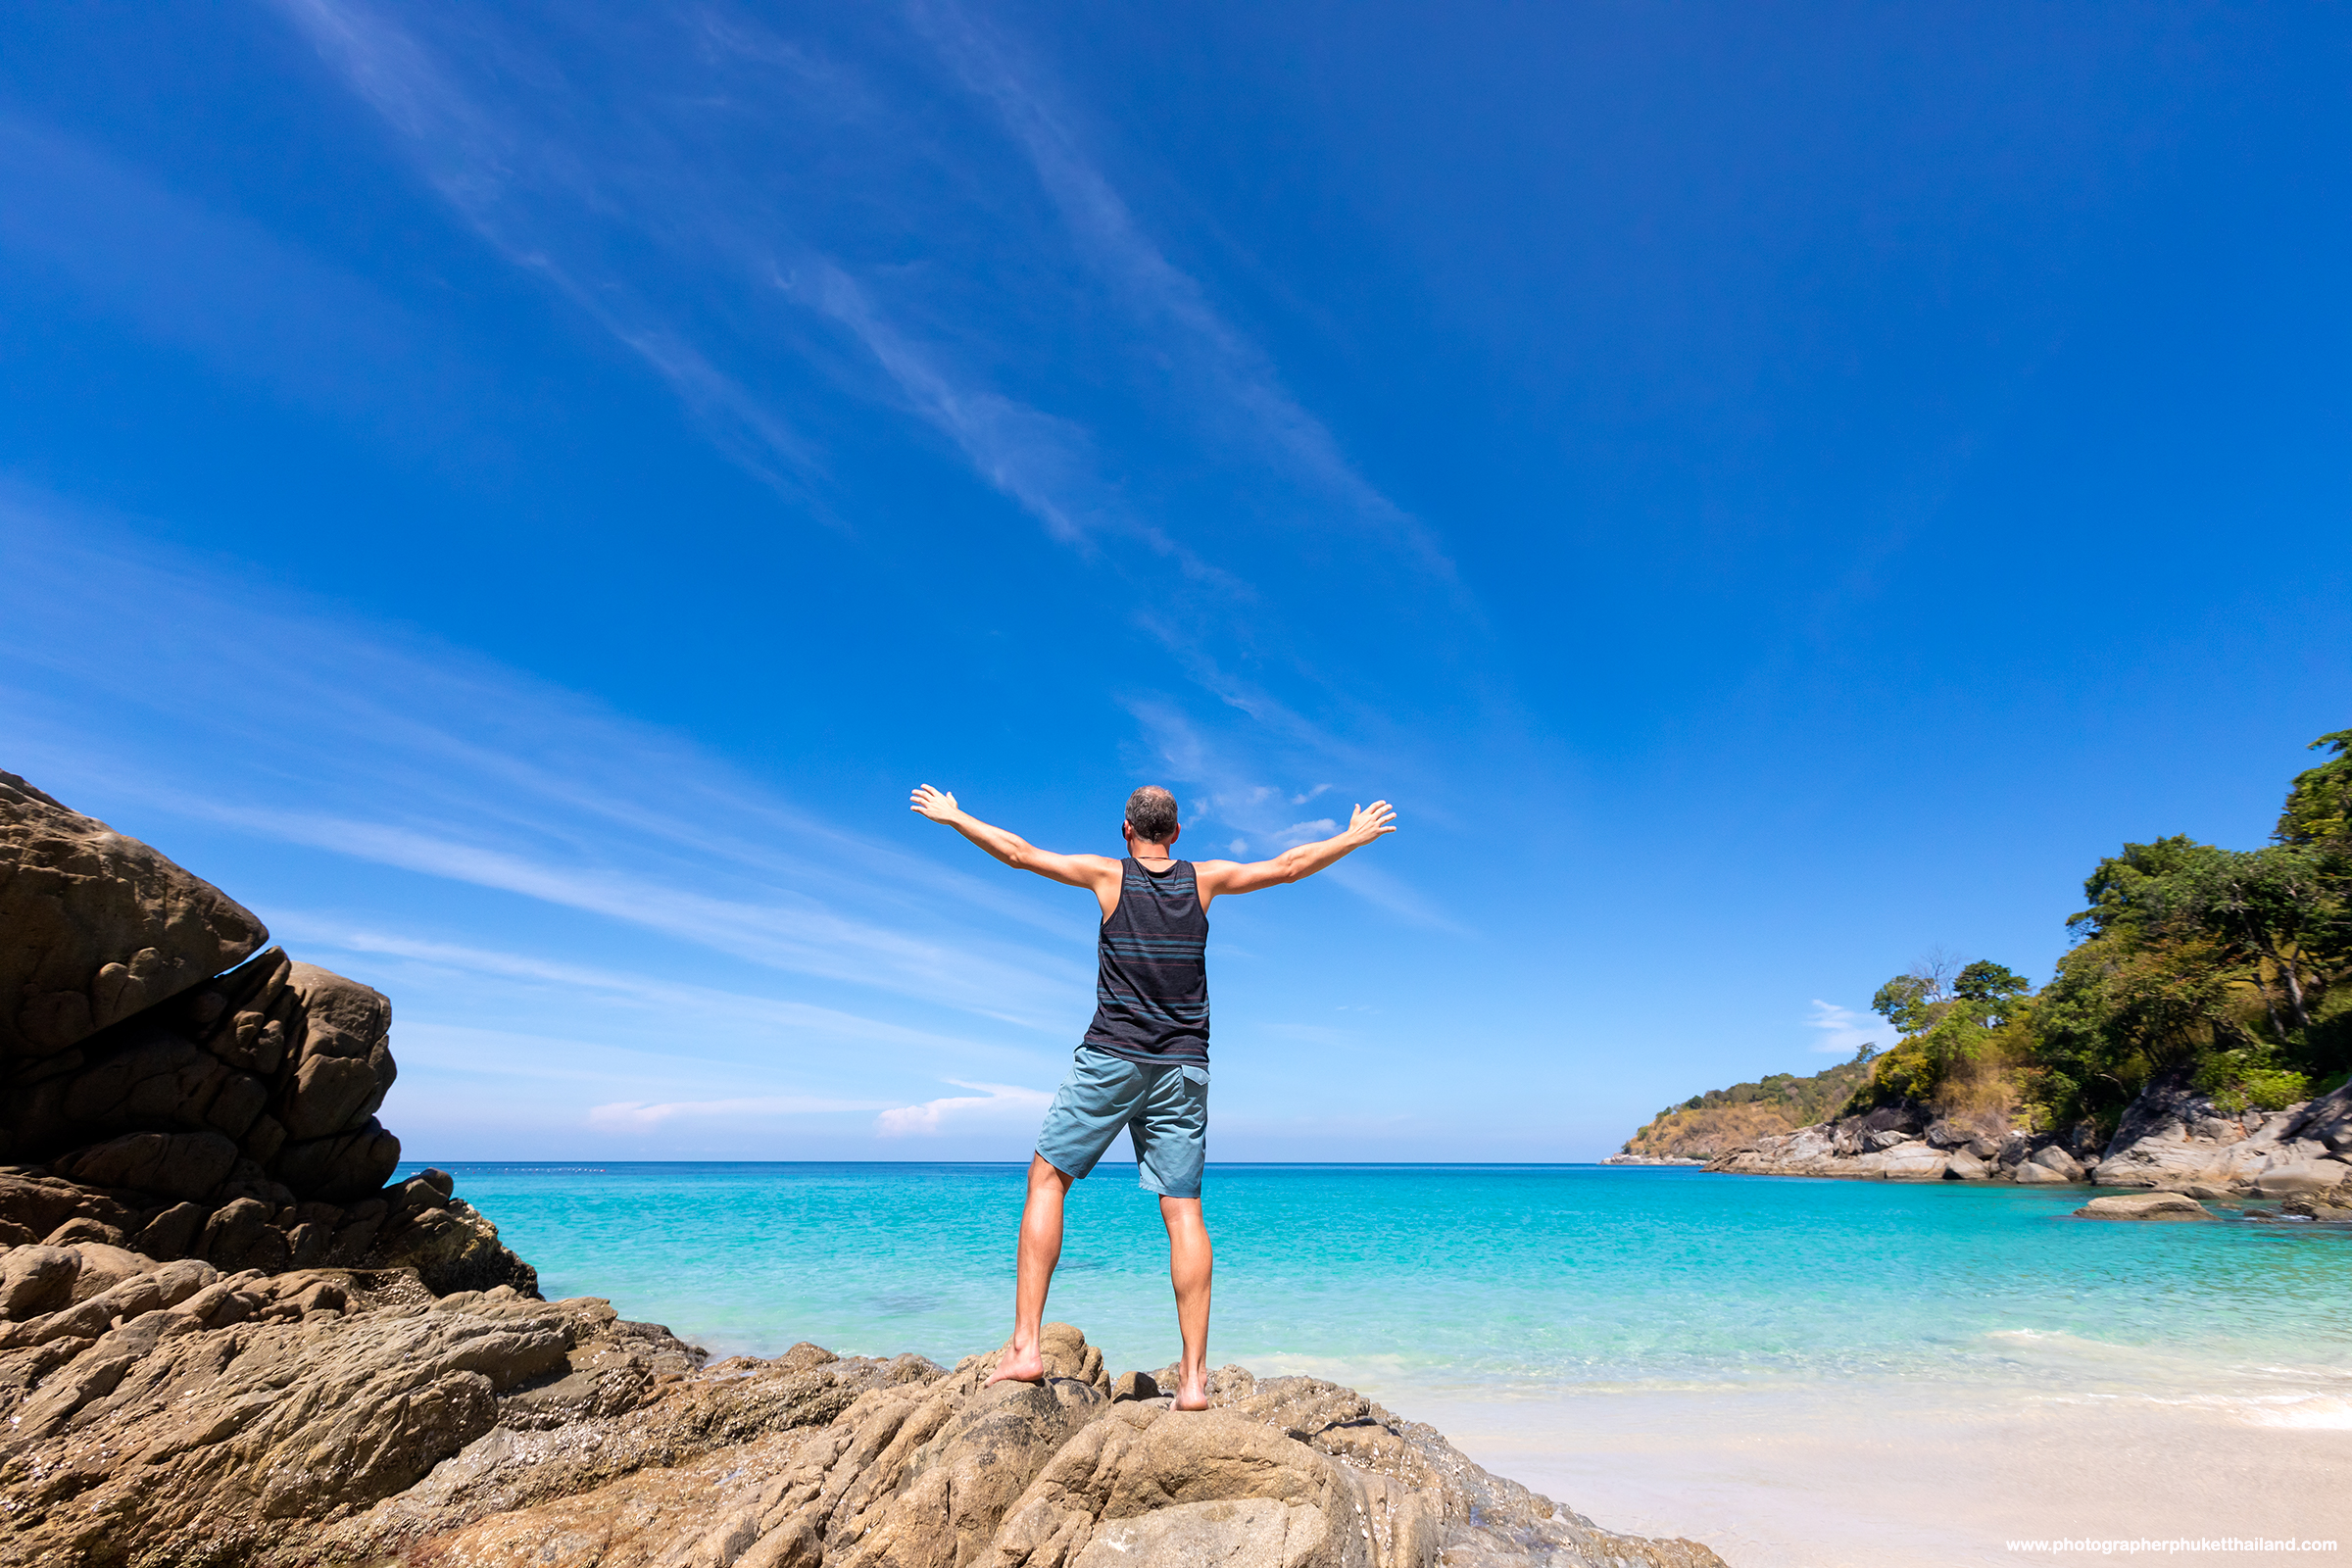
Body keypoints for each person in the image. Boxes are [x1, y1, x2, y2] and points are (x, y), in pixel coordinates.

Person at [907, 780, 1398, 1410]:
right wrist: (1352, 838)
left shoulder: (1108, 876)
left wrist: (955, 818)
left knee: (1047, 1180)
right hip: (1184, 1066)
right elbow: (1288, 866)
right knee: (1184, 1211)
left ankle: (1026, 1347)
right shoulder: (1204, 880)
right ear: (1176, 833)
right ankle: (1193, 1383)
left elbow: (1018, 852)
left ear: (1127, 830)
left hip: (1111, 1055)